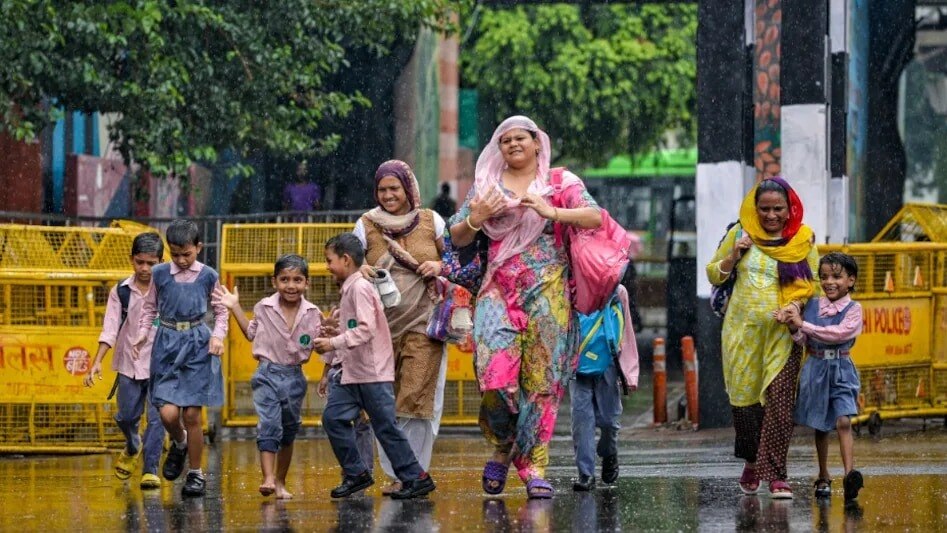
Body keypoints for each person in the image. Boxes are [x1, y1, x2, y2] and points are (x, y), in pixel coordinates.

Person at [449, 115, 603, 499]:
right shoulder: (486, 186)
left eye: (521, 138)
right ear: (498, 148)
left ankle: (532, 464)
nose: (513, 145)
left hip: (548, 291)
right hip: (498, 290)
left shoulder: (559, 183)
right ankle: (504, 443)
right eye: (505, 140)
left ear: (537, 143)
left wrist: (553, 212)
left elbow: (594, 216)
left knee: (542, 383)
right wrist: (476, 217)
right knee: (494, 379)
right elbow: (456, 233)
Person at [706, 177, 819, 499]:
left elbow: (814, 286)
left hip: (783, 336)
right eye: (764, 209)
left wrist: (795, 306)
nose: (771, 216)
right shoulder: (740, 233)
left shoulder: (804, 239)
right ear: (755, 209)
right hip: (741, 334)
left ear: (789, 209)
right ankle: (753, 461)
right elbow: (713, 273)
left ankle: (777, 475)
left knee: (780, 404)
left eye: (778, 209)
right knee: (745, 404)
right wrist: (734, 256)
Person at [314, 233, 436, 500]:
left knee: (384, 427)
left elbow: (366, 330)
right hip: (353, 372)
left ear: (345, 260)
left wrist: (333, 342)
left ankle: (416, 477)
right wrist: (336, 335)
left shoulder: (359, 288)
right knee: (333, 419)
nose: (326, 266)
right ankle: (357, 473)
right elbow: (354, 328)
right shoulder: (350, 288)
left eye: (329, 260)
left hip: (371, 373)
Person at [353, 159, 447, 495]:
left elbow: (454, 261)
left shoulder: (430, 220)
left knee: (416, 398)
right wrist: (360, 269)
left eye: (395, 188)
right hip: (378, 329)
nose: (388, 195)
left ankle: (415, 472)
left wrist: (438, 264)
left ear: (408, 189)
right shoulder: (365, 224)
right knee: (385, 401)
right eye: (382, 189)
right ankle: (397, 474)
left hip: (425, 323)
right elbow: (349, 263)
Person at [213, 254, 323, 499]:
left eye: (297, 280)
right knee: (269, 424)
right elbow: (250, 333)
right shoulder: (264, 307)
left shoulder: (314, 313)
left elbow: (322, 345)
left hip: (295, 377)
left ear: (307, 283)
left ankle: (281, 482)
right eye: (284, 279)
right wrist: (234, 307)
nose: (290, 285)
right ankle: (268, 478)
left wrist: (332, 338)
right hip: (267, 374)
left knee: (289, 429)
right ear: (275, 281)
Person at [133, 219, 229, 497]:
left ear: (198, 248)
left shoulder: (209, 275)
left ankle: (196, 474)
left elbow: (221, 311)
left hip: (198, 344)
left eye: (186, 253)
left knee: (192, 414)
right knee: (168, 413)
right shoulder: (160, 274)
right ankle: (180, 442)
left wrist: (217, 336)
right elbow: (150, 309)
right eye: (175, 254)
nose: (181, 260)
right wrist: (142, 334)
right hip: (167, 344)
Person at [84, 232, 166, 489]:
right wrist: (97, 361)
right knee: (126, 417)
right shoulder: (121, 291)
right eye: (140, 262)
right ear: (131, 259)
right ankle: (132, 444)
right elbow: (109, 329)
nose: (144, 268)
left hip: (160, 366)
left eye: (151, 263)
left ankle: (150, 470)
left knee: (157, 419)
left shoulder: (168, 290)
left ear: (161, 262)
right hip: (129, 365)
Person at [784, 251, 864, 502]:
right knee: (820, 425)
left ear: (850, 280)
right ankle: (823, 475)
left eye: (837, 277)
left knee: (843, 420)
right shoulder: (813, 306)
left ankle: (850, 474)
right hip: (816, 368)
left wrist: (803, 324)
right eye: (824, 277)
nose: (830, 282)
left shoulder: (854, 309)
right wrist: (792, 325)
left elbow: (838, 334)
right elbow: (802, 340)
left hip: (841, 368)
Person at [570, 283, 639, 491]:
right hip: (578, 364)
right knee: (582, 420)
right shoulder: (571, 289)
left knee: (609, 420)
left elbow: (627, 333)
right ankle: (586, 474)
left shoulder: (618, 292)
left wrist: (630, 370)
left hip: (608, 362)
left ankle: (609, 453)